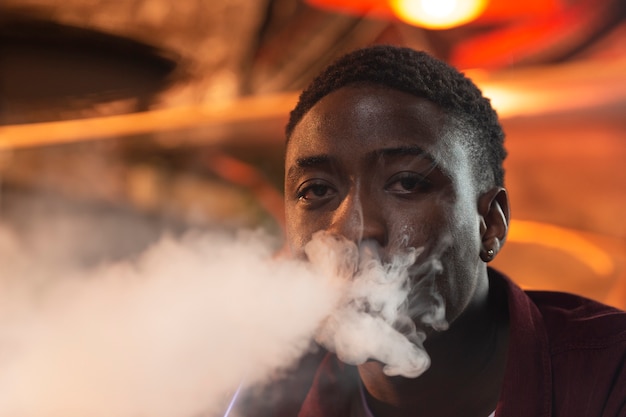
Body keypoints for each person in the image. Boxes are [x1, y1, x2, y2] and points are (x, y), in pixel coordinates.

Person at [245, 45, 626, 417]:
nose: (352, 229)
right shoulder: (259, 393)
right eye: (316, 190)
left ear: (490, 224)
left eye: (407, 184)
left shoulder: (610, 372)